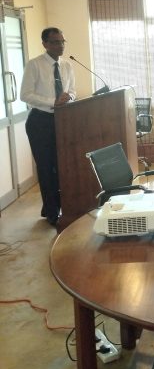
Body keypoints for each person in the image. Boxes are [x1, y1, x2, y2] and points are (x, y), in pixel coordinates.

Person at [20, 27, 76, 225]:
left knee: (62, 166)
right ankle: (52, 213)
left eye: (62, 41)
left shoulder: (67, 65)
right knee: (46, 168)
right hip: (40, 122)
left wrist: (68, 98)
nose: (60, 45)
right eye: (55, 42)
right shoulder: (34, 65)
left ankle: (58, 206)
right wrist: (53, 101)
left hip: (62, 121)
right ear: (44, 44)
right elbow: (25, 95)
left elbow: (72, 91)